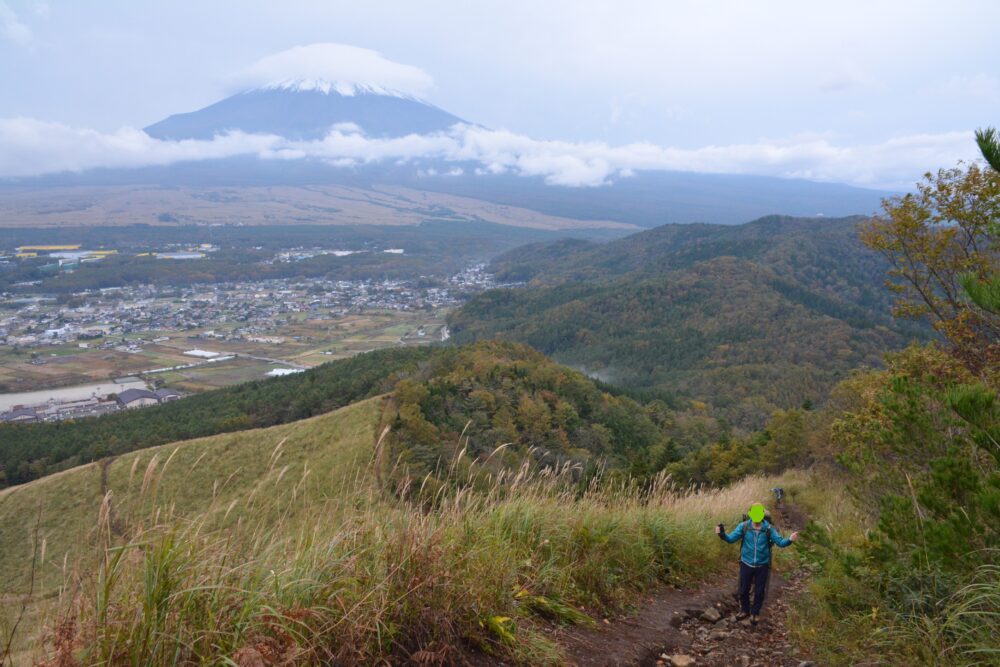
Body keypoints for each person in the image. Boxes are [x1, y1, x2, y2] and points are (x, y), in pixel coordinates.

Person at [715, 502, 798, 627]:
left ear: (762, 516)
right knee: (743, 590)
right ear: (750, 515)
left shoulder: (769, 529)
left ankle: (755, 613)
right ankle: (744, 610)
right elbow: (731, 539)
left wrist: (790, 540)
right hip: (746, 563)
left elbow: (780, 542)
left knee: (759, 591)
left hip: (762, 565)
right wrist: (722, 534)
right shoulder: (743, 526)